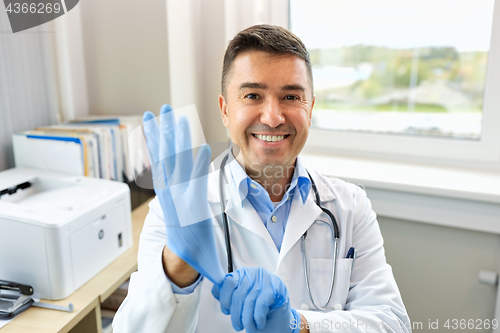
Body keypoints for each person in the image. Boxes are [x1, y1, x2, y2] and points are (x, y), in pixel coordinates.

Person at [113, 25, 411, 333]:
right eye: (253, 95)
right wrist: (176, 268)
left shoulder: (350, 206)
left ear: (310, 110)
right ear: (225, 109)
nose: (272, 117)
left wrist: (299, 325)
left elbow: (392, 323)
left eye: (291, 96)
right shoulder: (174, 210)